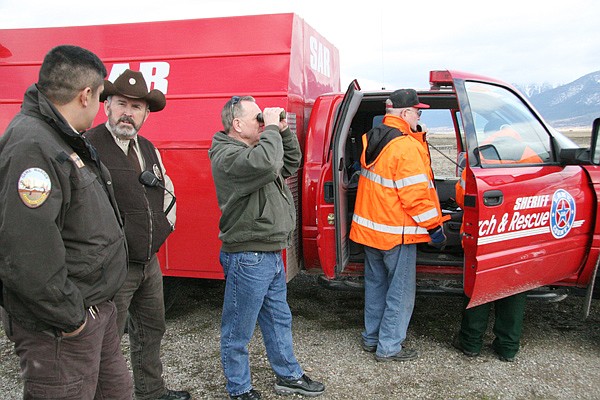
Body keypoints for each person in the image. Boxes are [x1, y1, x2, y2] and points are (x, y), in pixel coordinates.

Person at [0, 45, 133, 399]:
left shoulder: (60, 137)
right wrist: (73, 319)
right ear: (86, 94)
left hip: (94, 310)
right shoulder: (33, 146)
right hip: (62, 328)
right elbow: (26, 252)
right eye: (101, 95)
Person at [208, 96, 325, 399]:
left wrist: (282, 131)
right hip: (248, 256)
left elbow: (288, 163)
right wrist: (271, 129)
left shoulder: (254, 151)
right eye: (257, 117)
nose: (262, 122)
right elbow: (268, 162)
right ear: (237, 124)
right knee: (238, 329)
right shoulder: (228, 156)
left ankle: (288, 375)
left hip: (269, 252)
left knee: (278, 319)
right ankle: (238, 389)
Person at [85, 69, 189, 400]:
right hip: (112, 267)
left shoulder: (148, 148)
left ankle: (151, 392)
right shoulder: (89, 146)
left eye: (137, 107)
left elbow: (166, 192)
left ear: (145, 113)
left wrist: (162, 230)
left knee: (151, 330)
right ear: (107, 106)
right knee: (107, 340)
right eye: (122, 104)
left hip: (148, 262)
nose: (128, 113)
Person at [349, 89, 449, 362]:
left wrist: (418, 134)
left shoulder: (375, 138)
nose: (419, 116)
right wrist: (434, 228)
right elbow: (415, 195)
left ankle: (372, 339)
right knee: (400, 293)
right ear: (405, 113)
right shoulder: (405, 146)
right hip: (397, 234)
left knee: (376, 287)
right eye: (418, 112)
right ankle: (389, 347)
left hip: (372, 232)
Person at [451, 128, 542, 362]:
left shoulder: (479, 157)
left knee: (479, 286)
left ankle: (470, 343)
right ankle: (508, 347)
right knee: (514, 289)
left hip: (482, 232)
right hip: (518, 233)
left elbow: (462, 196)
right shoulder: (534, 157)